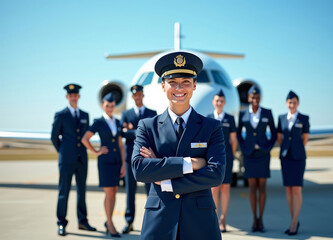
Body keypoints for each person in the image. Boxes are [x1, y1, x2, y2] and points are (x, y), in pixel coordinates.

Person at [131, 51, 226, 240]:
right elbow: (139, 170)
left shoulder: (212, 127)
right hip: (159, 221)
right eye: (173, 82)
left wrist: (165, 181)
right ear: (163, 85)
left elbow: (216, 174)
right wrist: (191, 163)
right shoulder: (147, 126)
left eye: (186, 82)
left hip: (200, 222)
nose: (179, 88)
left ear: (194, 85)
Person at [51, 83, 96, 236]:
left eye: (75, 95)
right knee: (63, 192)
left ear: (79, 96)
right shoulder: (61, 115)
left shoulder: (85, 115)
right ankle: (61, 222)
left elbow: (85, 137)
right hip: (67, 159)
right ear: (67, 97)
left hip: (81, 159)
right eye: (71, 95)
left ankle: (83, 221)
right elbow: (54, 137)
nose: (73, 97)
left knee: (81, 192)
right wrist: (63, 151)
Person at [81, 92, 126, 238]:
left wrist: (124, 163)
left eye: (112, 106)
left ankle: (109, 222)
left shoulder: (117, 122)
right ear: (102, 106)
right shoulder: (98, 121)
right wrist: (96, 151)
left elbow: (120, 144)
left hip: (117, 162)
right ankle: (110, 223)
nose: (110, 108)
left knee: (114, 192)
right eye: (107, 105)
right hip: (105, 162)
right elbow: (85, 139)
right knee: (109, 193)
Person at [237, 86, 276, 232]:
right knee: (252, 188)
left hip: (263, 154)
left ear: (260, 99)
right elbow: (239, 133)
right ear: (248, 98)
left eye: (257, 98)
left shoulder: (267, 113)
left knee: (263, 188)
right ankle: (254, 220)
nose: (255, 100)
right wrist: (244, 148)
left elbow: (273, 132)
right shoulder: (243, 114)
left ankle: (262, 219)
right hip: (250, 155)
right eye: (252, 98)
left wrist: (268, 147)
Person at [120, 84, 157, 234]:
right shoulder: (126, 114)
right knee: (130, 192)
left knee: (151, 192)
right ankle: (129, 222)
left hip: (147, 158)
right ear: (132, 97)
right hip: (130, 159)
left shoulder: (151, 113)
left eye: (140, 94)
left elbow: (153, 133)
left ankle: (153, 222)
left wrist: (131, 130)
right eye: (135, 95)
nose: (137, 97)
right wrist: (141, 131)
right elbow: (122, 134)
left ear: (143, 95)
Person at [277, 90, 309, 236]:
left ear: (298, 103)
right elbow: (279, 138)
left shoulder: (304, 118)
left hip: (298, 158)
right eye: (290, 102)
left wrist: (296, 149)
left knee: (296, 189)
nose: (292, 105)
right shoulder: (282, 118)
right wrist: (286, 150)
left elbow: (305, 139)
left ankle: (294, 222)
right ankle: (293, 219)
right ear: (286, 103)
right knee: (288, 189)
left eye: (294, 102)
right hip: (285, 158)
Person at [207, 89, 237, 233]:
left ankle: (223, 219)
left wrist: (230, 155)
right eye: (217, 100)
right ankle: (214, 219)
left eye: (221, 101)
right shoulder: (208, 118)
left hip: (227, 158)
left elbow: (233, 140)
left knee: (225, 188)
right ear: (213, 102)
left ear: (224, 103)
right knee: (214, 189)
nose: (219, 103)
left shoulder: (230, 119)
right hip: (212, 159)